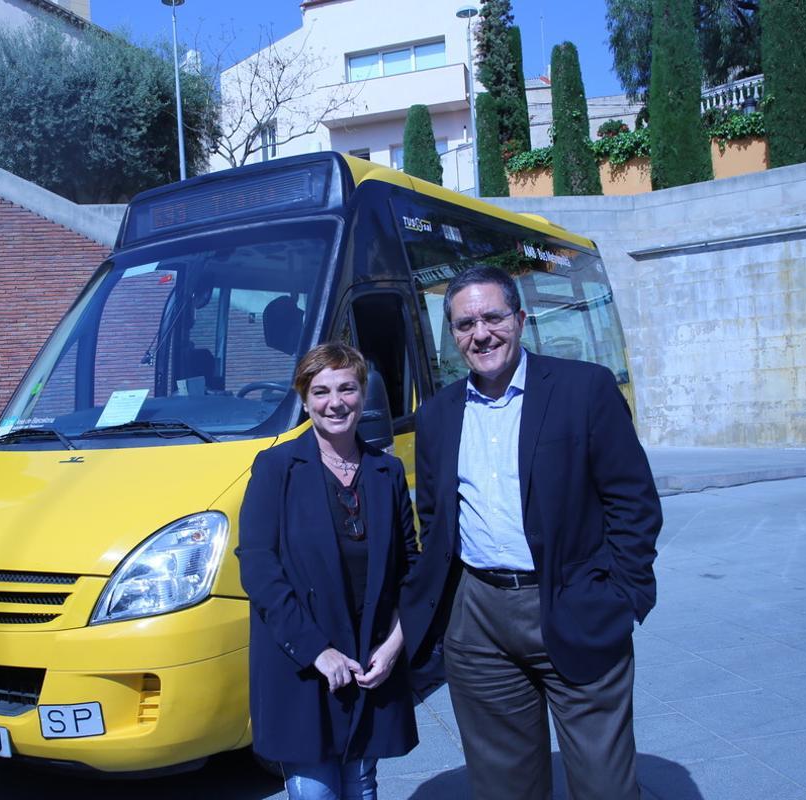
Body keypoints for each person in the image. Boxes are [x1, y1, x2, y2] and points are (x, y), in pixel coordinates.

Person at [400, 265, 662, 800]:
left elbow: (632, 501)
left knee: (605, 785)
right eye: (465, 324)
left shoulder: (583, 389)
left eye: (493, 317)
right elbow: (435, 517)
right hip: (478, 621)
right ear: (452, 336)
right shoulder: (437, 416)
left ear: (520, 319)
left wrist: (622, 595)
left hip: (573, 599)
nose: (481, 334)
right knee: (504, 786)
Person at [238, 342, 418, 800]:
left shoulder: (387, 472)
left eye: (347, 388)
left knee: (362, 784)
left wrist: (394, 645)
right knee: (315, 791)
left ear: (363, 396)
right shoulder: (276, 467)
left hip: (367, 660)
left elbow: (408, 568)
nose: (334, 402)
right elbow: (259, 568)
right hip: (304, 662)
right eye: (320, 391)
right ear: (304, 399)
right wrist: (318, 651)